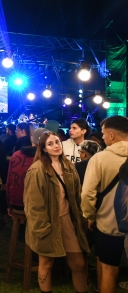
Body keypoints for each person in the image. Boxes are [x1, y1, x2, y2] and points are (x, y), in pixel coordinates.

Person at [24, 131, 88, 293]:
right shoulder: (37, 170)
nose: (56, 146)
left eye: (57, 142)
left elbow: (77, 195)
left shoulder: (68, 166)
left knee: (78, 264)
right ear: (43, 148)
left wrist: (79, 218)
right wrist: (42, 228)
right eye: (50, 144)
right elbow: (33, 204)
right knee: (46, 263)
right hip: (47, 222)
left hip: (66, 219)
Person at [81, 116, 128, 293]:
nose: (103, 137)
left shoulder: (100, 159)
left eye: (103, 134)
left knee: (107, 267)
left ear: (112, 135)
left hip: (108, 224)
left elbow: (88, 193)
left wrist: (89, 216)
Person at [6, 128, 46, 214]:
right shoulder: (46, 158)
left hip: (16, 201)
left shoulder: (16, 155)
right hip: (37, 205)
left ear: (31, 139)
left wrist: (9, 204)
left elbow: (9, 181)